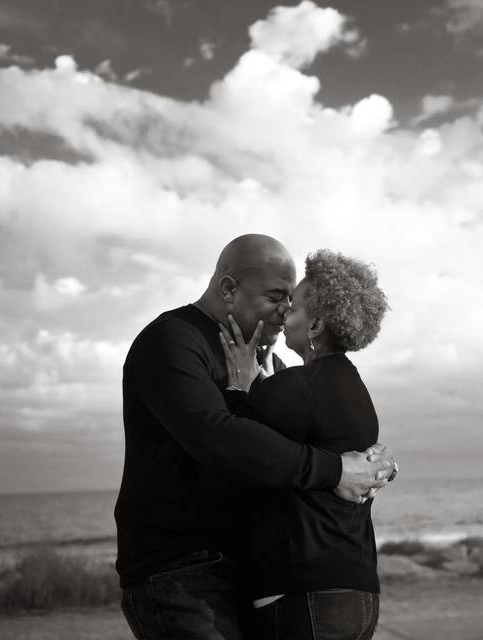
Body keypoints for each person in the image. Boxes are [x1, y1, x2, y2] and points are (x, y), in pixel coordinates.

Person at [115, 235, 396, 640]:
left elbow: (305, 445)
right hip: (181, 570)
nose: (285, 312)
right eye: (277, 297)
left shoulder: (276, 365)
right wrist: (337, 469)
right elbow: (219, 439)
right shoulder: (171, 341)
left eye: (291, 301)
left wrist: (372, 467)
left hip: (252, 570)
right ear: (229, 289)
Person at [218, 249, 390, 640]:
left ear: (315, 327)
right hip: (358, 590)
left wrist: (238, 387)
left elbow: (231, 445)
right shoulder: (357, 391)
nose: (282, 315)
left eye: (291, 308)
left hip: (306, 594)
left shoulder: (296, 387)